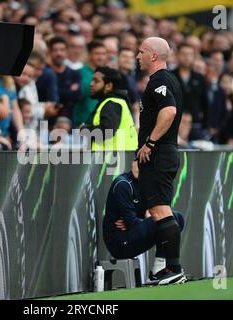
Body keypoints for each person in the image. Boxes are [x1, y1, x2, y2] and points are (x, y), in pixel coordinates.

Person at [135, 37, 184, 284]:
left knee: (160, 209)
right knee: (159, 210)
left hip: (159, 152)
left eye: (141, 51)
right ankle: (167, 269)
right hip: (165, 152)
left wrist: (150, 142)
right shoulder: (169, 79)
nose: (137, 56)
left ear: (153, 55)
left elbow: (169, 111)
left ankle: (175, 268)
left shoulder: (160, 81)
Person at [102, 159, 185, 285]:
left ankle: (160, 268)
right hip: (119, 242)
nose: (141, 169)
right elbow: (133, 223)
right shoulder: (123, 184)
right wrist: (144, 218)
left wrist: (143, 219)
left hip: (134, 234)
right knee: (166, 220)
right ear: (133, 163)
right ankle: (159, 271)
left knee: (177, 218)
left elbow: (140, 220)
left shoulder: (149, 185)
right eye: (139, 164)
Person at [80, 66, 137, 151]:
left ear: (109, 86)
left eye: (96, 81)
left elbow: (107, 132)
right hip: (118, 159)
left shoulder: (111, 104)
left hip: (114, 160)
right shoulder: (115, 102)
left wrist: (85, 129)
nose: (91, 84)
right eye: (92, 80)